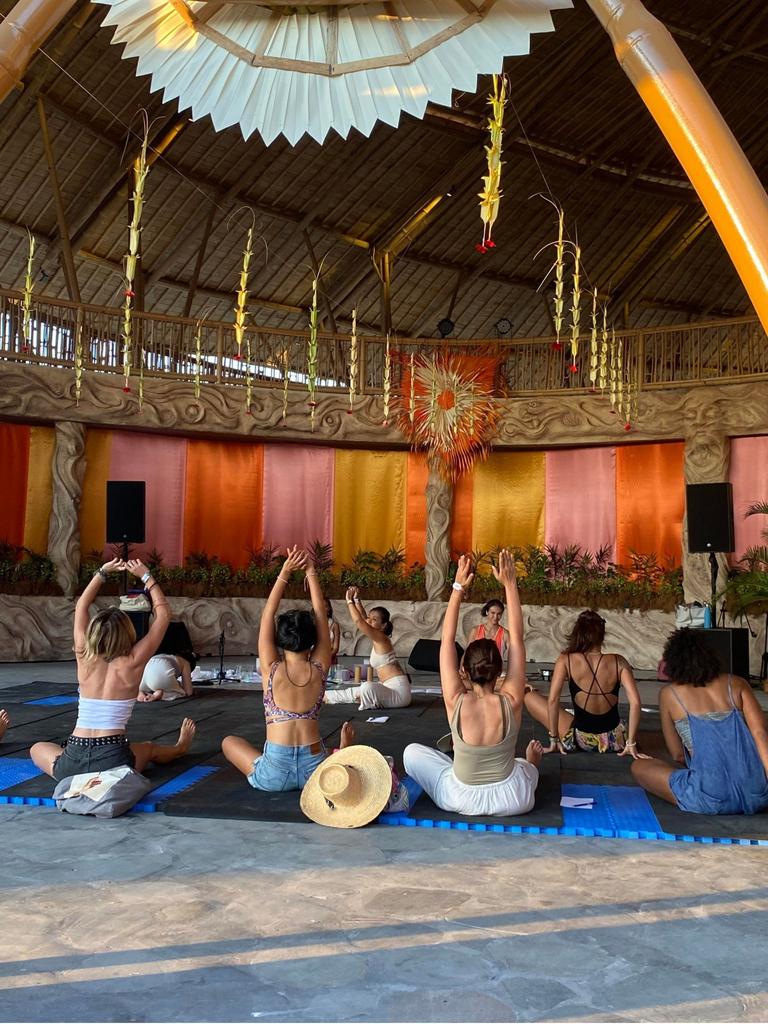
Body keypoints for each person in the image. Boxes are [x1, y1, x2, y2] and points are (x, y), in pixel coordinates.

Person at [30, 558, 196, 781]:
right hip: (114, 762)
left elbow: (81, 605)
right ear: (127, 633)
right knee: (147, 748)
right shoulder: (133, 660)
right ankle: (178, 748)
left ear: (94, 633)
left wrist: (102, 572)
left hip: (73, 758)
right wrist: (146, 576)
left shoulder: (83, 654)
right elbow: (163, 615)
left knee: (37, 748)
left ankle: (81, 777)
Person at [403, 550, 542, 817]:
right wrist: (510, 583)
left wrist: (457, 589)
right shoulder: (511, 699)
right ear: (500, 669)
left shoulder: (455, 699)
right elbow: (518, 642)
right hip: (513, 799)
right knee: (523, 767)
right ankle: (531, 766)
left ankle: (460, 759)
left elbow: (446, 643)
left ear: (463, 670)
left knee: (412, 753)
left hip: (460, 798)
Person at [221, 546, 332, 791]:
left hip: (274, 775)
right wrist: (310, 572)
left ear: (279, 640)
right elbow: (322, 617)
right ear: (313, 640)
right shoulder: (320, 666)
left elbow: (267, 615)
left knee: (229, 742)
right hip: (315, 775)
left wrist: (284, 572)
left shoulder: (270, 669)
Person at [631, 629, 768, 814]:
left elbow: (678, 755)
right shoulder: (737, 683)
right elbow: (761, 735)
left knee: (639, 766)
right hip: (758, 794)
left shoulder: (669, 695)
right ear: (710, 655)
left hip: (709, 797)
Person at [524, 609, 646, 758]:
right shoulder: (618, 661)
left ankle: (559, 736)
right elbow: (635, 703)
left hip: (581, 740)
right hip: (615, 740)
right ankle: (629, 741)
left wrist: (554, 739)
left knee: (530, 697)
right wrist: (631, 743)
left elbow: (553, 700)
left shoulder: (566, 660)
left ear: (578, 634)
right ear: (602, 636)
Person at [323, 590, 411, 709]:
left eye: (374, 619)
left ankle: (365, 698)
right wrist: (356, 600)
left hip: (399, 693)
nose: (369, 620)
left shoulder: (382, 639)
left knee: (366, 687)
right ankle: (325, 697)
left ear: (384, 625)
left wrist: (349, 601)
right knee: (355, 691)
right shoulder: (377, 637)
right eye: (370, 618)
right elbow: (364, 619)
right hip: (388, 687)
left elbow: (360, 622)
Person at [326, 598, 341, 663]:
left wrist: (325, 657)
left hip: (330, 658)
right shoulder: (312, 624)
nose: (323, 608)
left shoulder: (334, 625)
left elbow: (335, 648)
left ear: (329, 608)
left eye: (326, 606)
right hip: (314, 659)